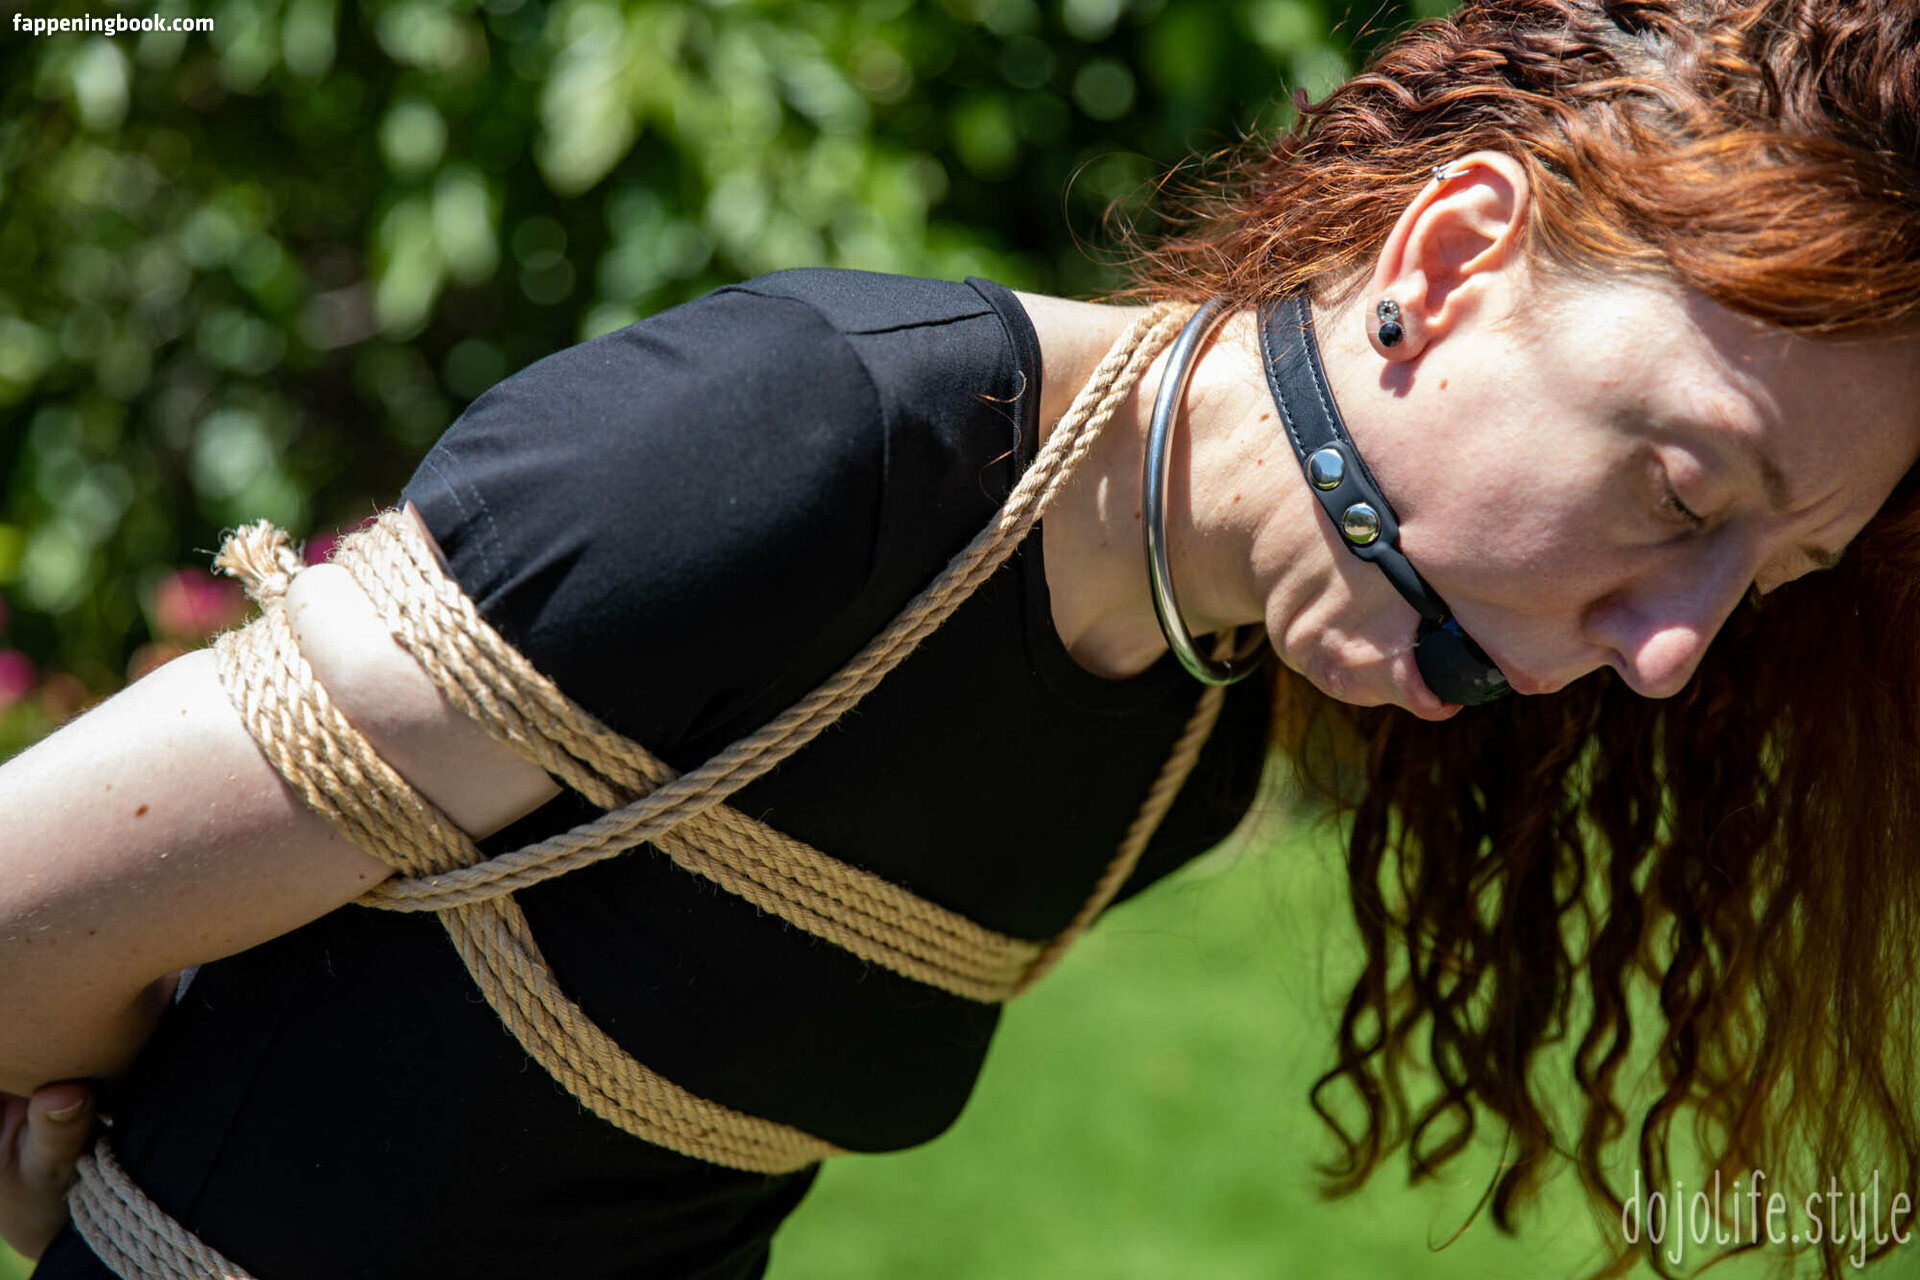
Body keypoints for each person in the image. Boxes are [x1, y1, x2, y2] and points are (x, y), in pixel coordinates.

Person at [4, 0, 1918, 1276]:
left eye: (1778, 572)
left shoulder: (1192, 749)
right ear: (1447, 258)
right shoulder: (799, 448)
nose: (1680, 651)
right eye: (1686, 491)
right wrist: (125, 1152)